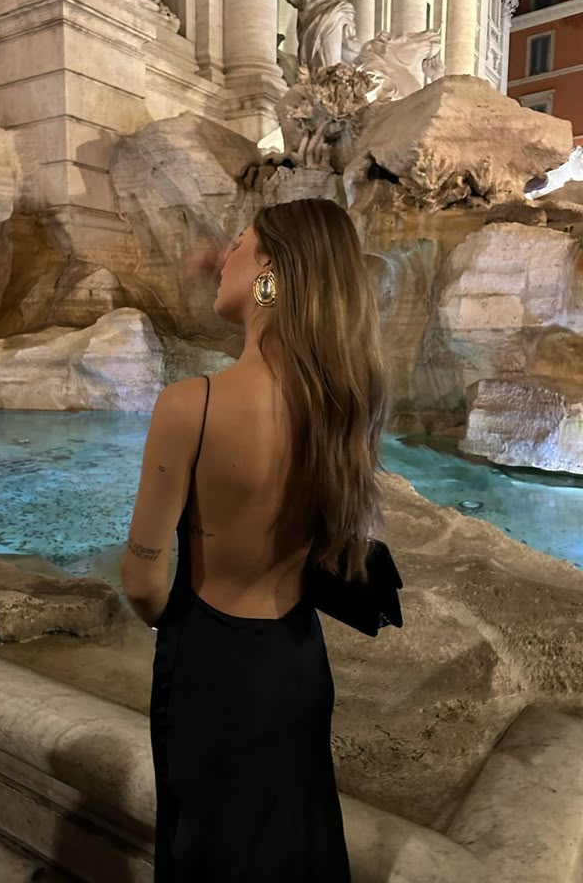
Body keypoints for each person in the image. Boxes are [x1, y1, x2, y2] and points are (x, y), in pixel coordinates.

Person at [121, 198, 389, 881]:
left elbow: (143, 583)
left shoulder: (191, 406)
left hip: (214, 669)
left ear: (269, 268)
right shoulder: (338, 408)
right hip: (297, 664)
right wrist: (240, 264)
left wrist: (168, 622)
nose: (220, 260)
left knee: (209, 855)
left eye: (236, 245)